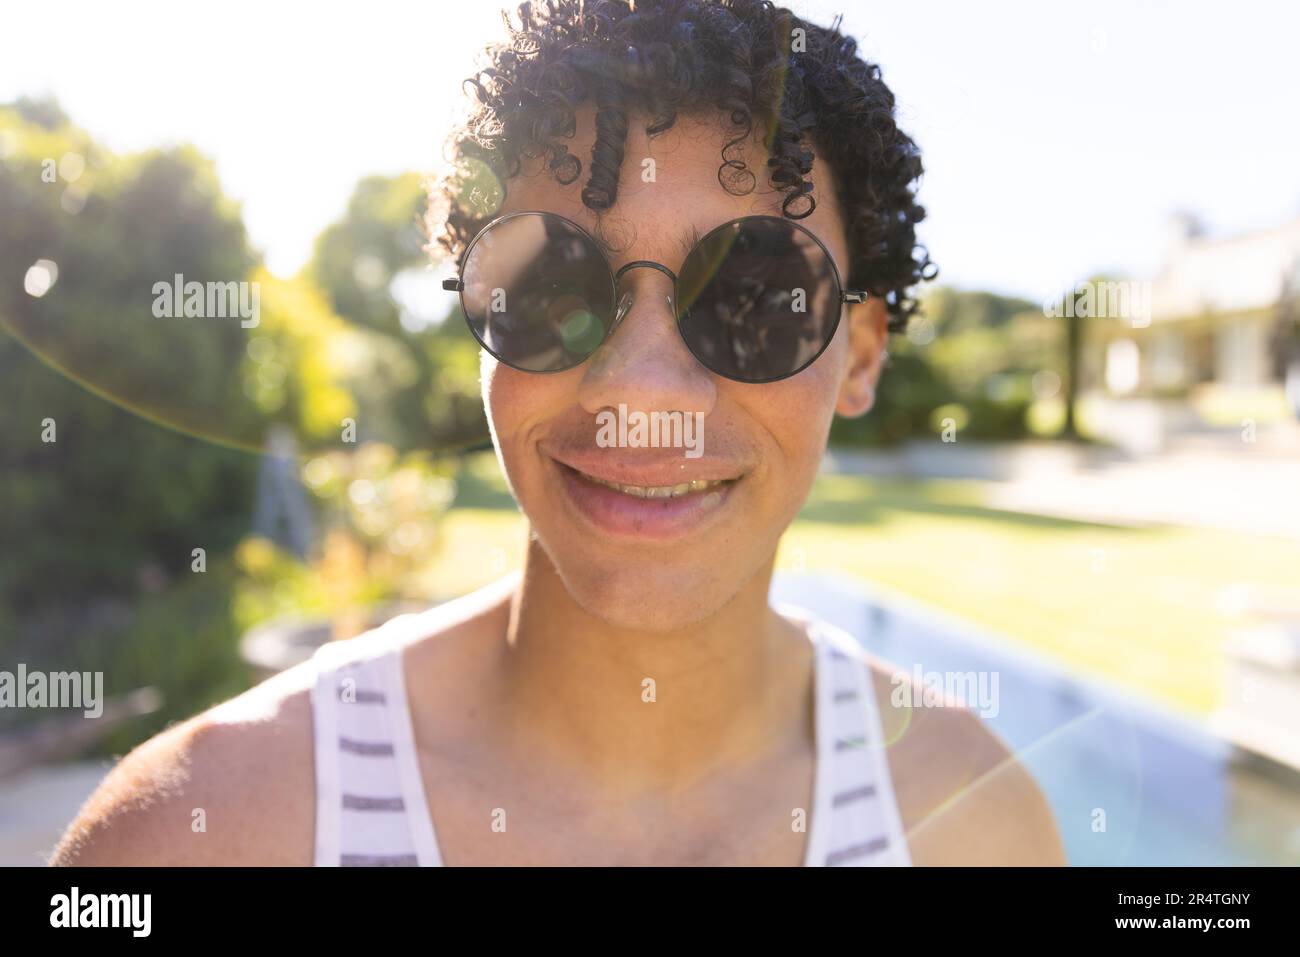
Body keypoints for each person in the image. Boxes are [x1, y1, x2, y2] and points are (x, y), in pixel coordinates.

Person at [52, 0, 1064, 866]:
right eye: (552, 282)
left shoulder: (973, 824)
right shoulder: (203, 836)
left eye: (757, 293)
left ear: (863, 354)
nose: (641, 387)